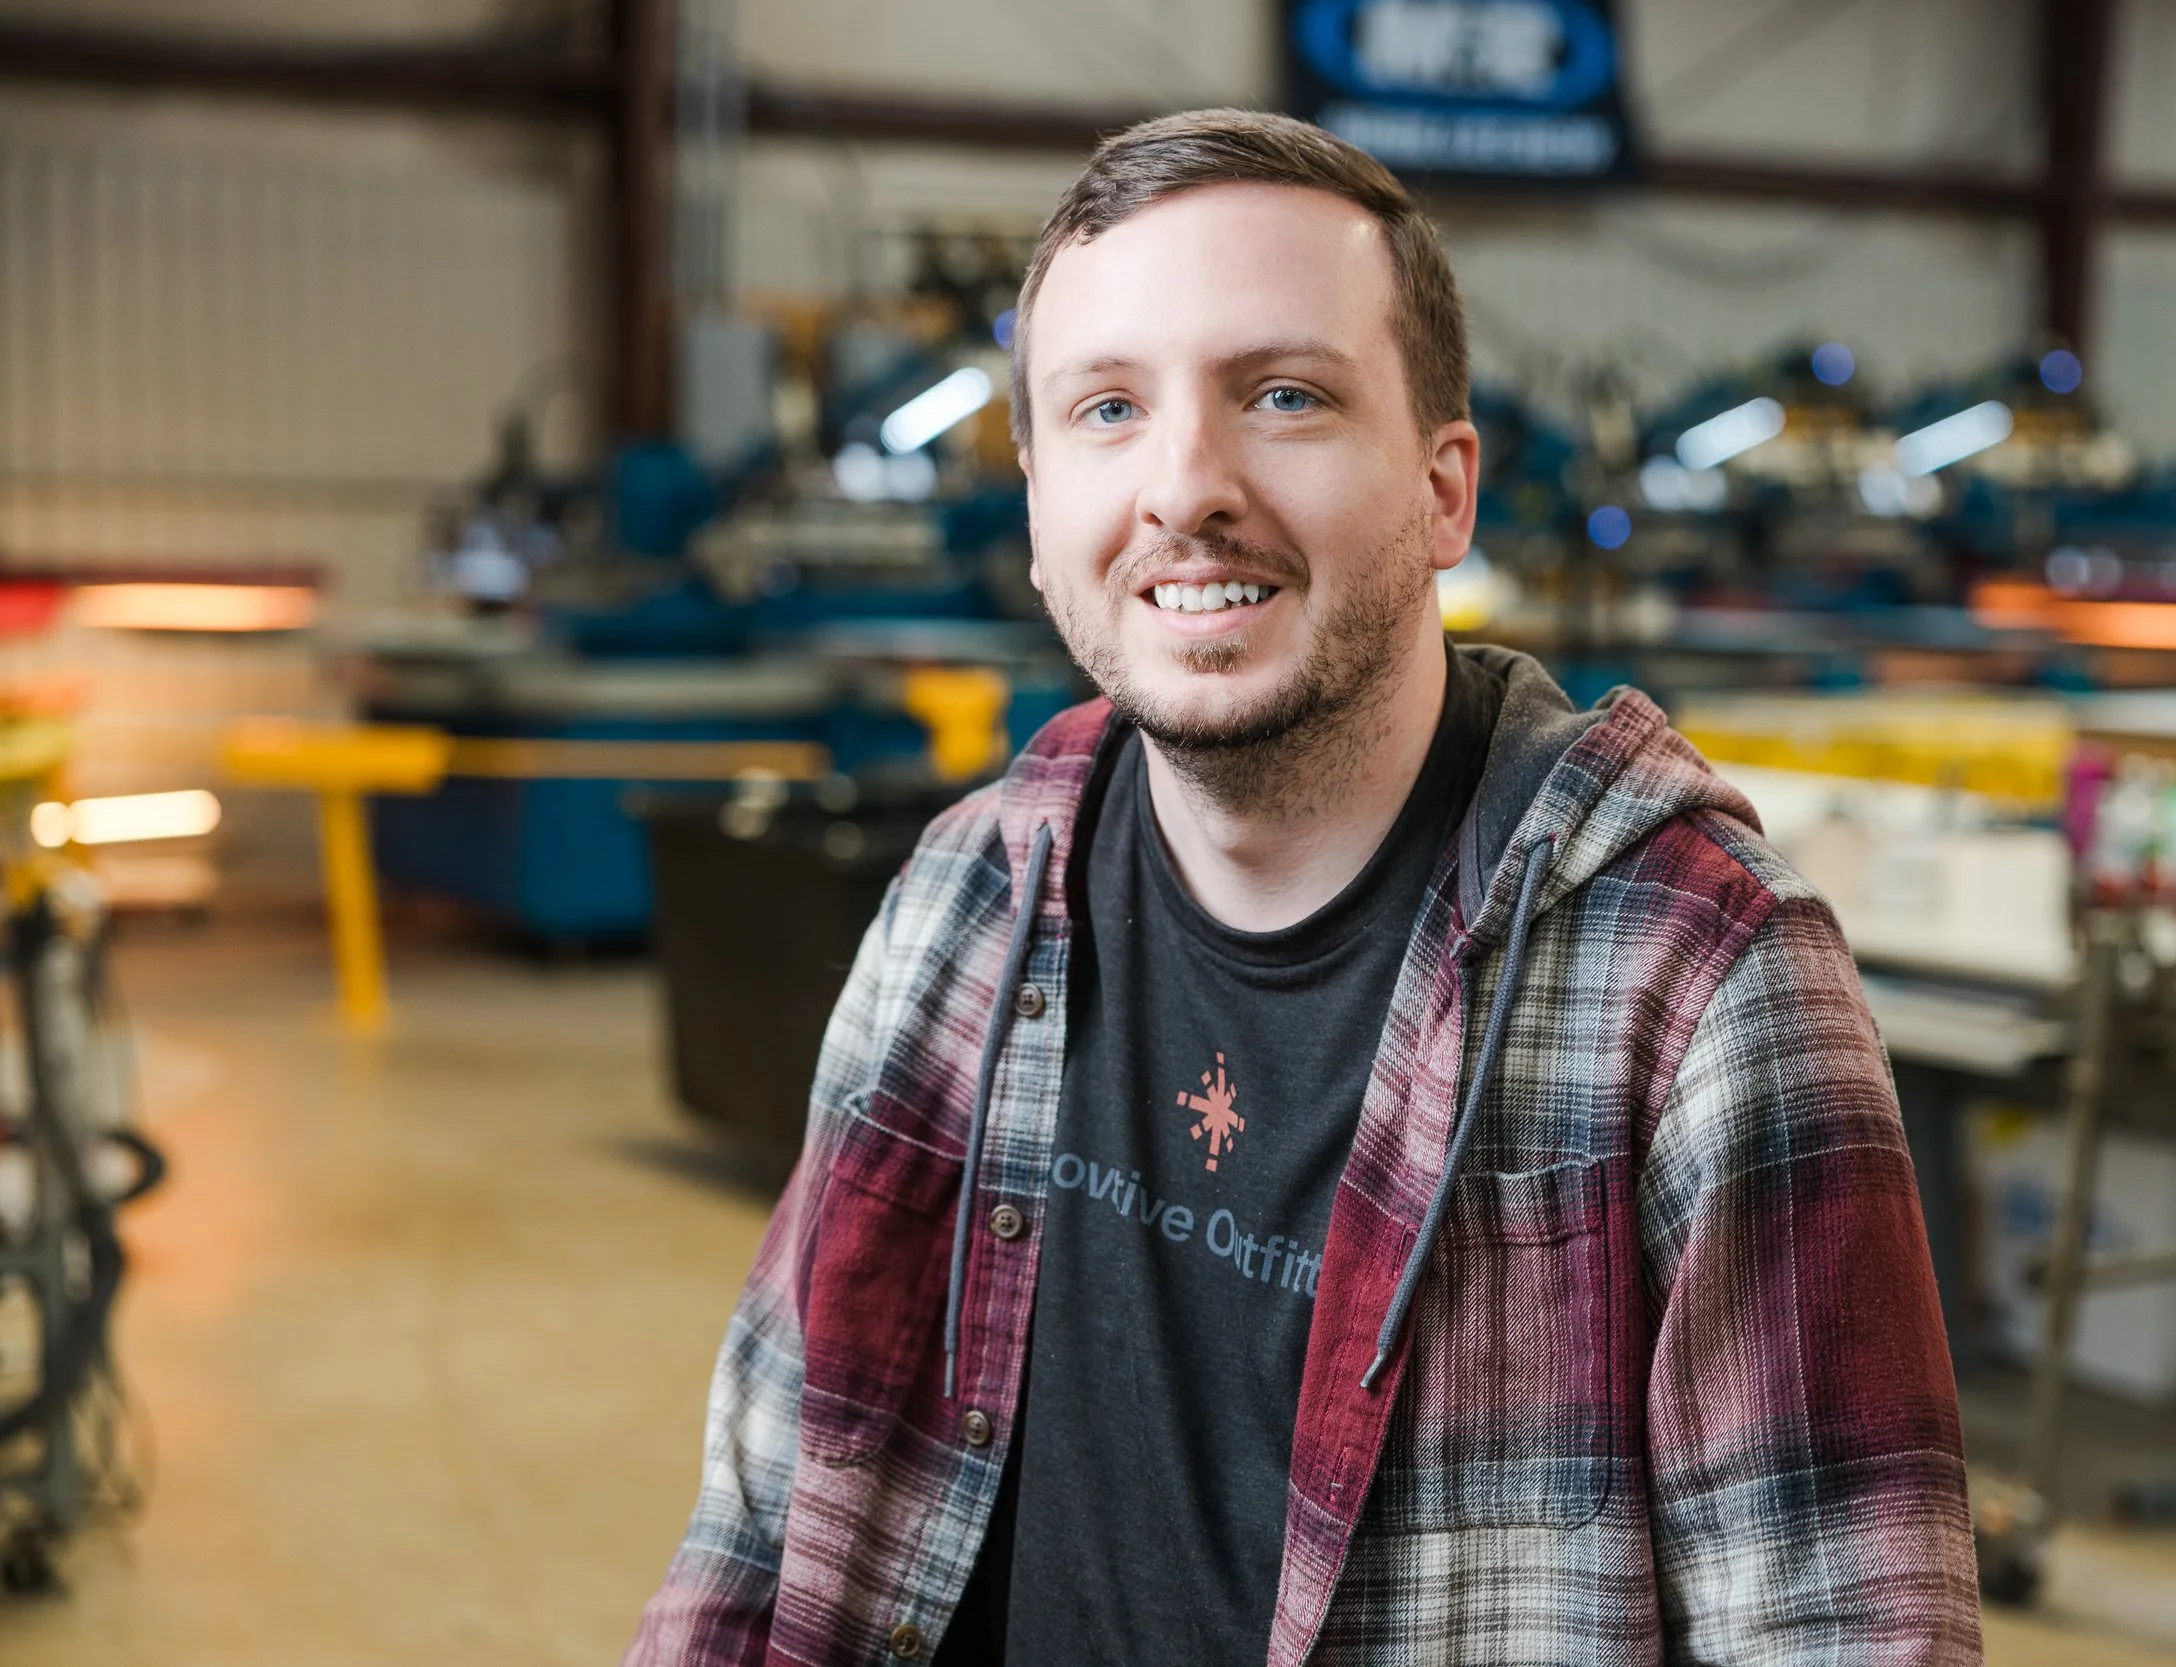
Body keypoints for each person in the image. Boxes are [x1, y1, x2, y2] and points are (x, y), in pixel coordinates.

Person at [625, 110, 1978, 1667]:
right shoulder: (963, 902)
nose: (1185, 486)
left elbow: (1849, 1632)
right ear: (1036, 495)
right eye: (1110, 408)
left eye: (1284, 395)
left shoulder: (1698, 979)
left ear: (1444, 488)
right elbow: (758, 1520)